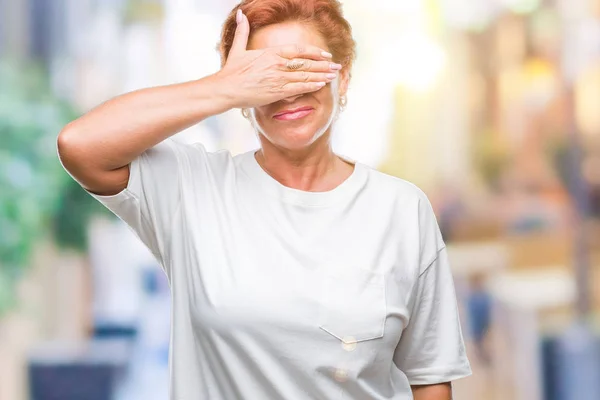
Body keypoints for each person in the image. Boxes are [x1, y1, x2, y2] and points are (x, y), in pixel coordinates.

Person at [56, 0, 472, 398]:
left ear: (342, 77)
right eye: (264, 73)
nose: (286, 90)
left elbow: (430, 376)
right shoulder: (192, 190)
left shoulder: (401, 209)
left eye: (303, 68)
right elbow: (80, 145)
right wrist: (223, 87)